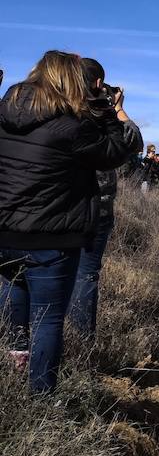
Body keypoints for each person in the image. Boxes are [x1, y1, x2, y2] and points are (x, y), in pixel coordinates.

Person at [0, 50, 133, 392]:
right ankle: (42, 398)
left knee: (13, 296)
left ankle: (14, 363)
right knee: (47, 321)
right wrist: (107, 110)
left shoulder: (4, 112)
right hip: (52, 236)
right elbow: (115, 153)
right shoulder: (72, 125)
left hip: (5, 233)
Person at [68, 59, 144, 339]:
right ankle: (79, 341)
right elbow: (133, 142)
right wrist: (117, 108)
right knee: (85, 273)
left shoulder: (52, 107)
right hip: (94, 206)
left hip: (49, 206)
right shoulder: (101, 113)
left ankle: (19, 342)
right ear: (99, 83)